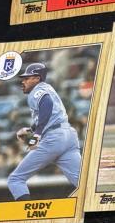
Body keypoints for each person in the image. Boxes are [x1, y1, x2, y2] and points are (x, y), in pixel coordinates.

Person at [7, 63, 82, 201]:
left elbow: (47, 104)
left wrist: (36, 135)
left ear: (37, 78)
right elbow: (48, 114)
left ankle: (24, 213)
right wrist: (31, 129)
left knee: (15, 179)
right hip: (68, 135)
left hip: (54, 138)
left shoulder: (36, 90)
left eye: (27, 78)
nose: (23, 81)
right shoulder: (48, 88)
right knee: (82, 182)